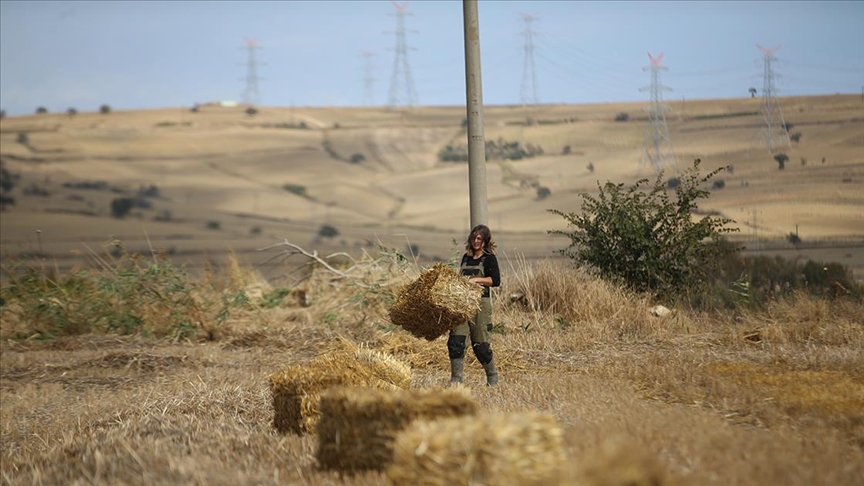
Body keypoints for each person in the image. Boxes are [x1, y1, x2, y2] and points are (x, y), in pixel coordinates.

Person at [448, 224, 501, 386]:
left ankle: (492, 377)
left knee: (480, 345)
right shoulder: (466, 257)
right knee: (455, 341)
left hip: (480, 305)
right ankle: (456, 380)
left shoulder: (489, 258)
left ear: (485, 241)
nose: (476, 241)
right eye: (473, 238)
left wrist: (477, 280)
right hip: (463, 304)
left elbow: (495, 281)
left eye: (479, 238)